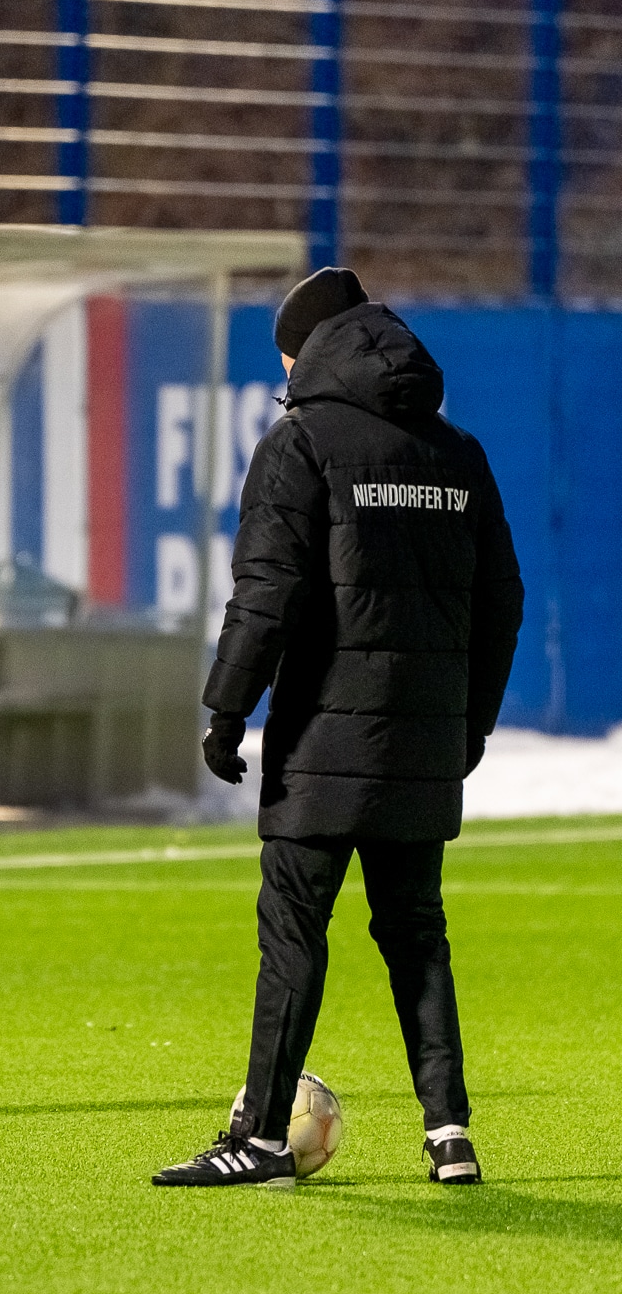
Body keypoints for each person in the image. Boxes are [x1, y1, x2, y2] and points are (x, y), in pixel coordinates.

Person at [154, 267, 523, 1190]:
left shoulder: (300, 444)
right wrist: (466, 730)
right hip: (423, 749)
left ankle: (265, 1138)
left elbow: (267, 593)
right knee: (417, 935)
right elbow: (502, 604)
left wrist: (226, 708)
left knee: (293, 932)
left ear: (308, 351)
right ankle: (449, 1136)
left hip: (322, 741)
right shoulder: (459, 455)